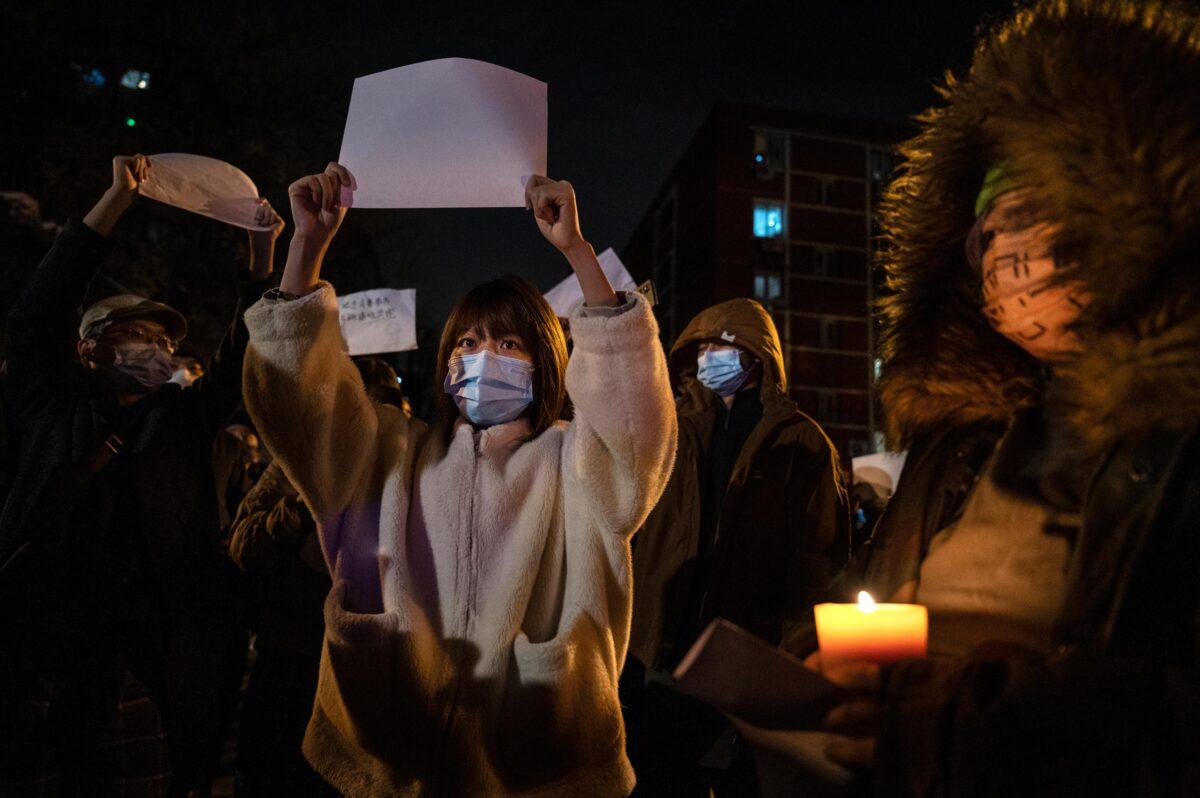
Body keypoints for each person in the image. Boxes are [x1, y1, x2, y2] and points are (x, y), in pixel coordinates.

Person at [782, 2, 1200, 795]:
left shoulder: (1180, 438)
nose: (1010, 254)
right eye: (989, 230)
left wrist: (972, 725)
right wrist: (815, 656)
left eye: (1037, 216)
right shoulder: (963, 439)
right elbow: (867, 594)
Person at [241, 163, 677, 796]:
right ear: (446, 366)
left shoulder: (578, 464)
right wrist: (305, 246)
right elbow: (298, 403)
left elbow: (634, 418)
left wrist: (579, 254)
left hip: (538, 764)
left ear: (545, 364)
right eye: (469, 342)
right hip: (390, 758)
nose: (483, 358)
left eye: (509, 345)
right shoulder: (389, 450)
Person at [0, 154, 282, 796]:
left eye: (165, 344)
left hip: (150, 666)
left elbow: (247, 353)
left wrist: (261, 257)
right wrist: (115, 200)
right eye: (134, 335)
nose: (155, 351)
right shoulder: (49, 406)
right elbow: (37, 315)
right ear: (87, 346)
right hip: (45, 658)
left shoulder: (181, 419)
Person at [623, 298, 850, 796]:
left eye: (723, 344)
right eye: (702, 346)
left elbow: (818, 562)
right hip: (658, 649)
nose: (710, 356)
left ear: (756, 353)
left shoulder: (801, 441)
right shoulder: (671, 431)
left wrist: (788, 653)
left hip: (744, 654)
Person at [229, 357, 414, 797]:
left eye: (391, 411)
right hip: (290, 661)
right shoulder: (294, 462)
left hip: (363, 665)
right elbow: (244, 547)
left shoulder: (410, 472)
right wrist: (305, 501)